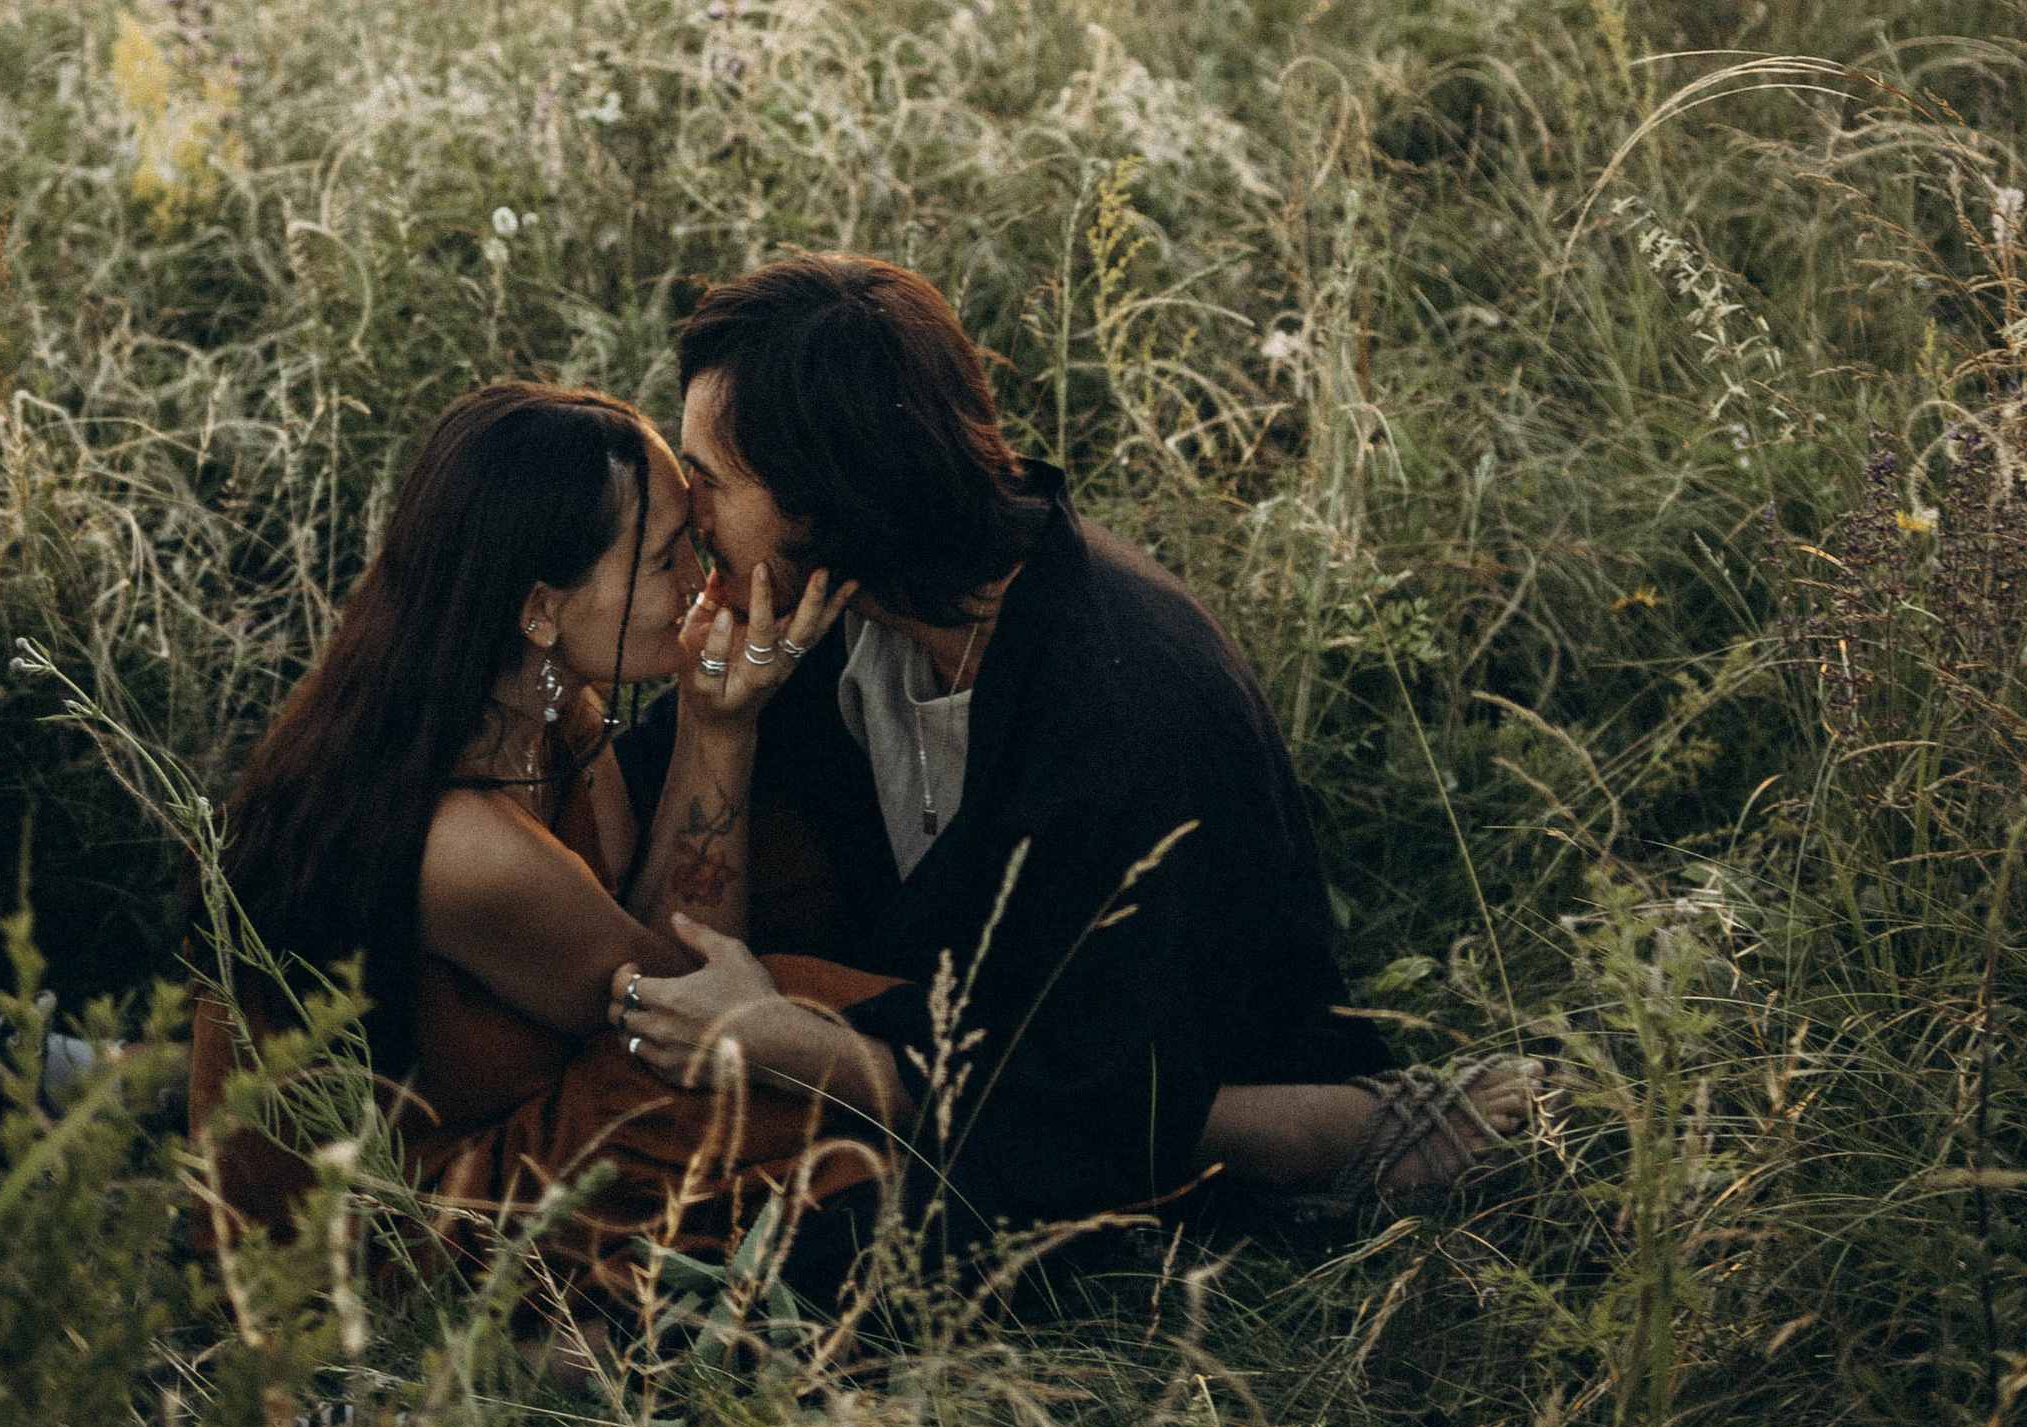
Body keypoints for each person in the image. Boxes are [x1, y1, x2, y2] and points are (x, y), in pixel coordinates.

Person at [609, 257, 1531, 1258]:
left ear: (829, 498)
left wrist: (798, 1047)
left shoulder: (1126, 716)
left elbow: (1088, 1111)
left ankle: (1318, 1134)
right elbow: (646, 850)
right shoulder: (842, 609)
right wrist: (715, 726)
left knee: (779, 1268)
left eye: (709, 480)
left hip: (1131, 1077)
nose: (691, 514)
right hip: (974, 1040)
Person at [186, 382, 899, 1305]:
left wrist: (710, 719)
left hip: (510, 1114)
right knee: (793, 1055)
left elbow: (654, 936)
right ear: (540, 609)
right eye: (664, 559)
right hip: (381, 1231)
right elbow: (690, 998)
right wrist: (721, 733)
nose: (702, 581)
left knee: (798, 979)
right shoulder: (467, 847)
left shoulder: (546, 708)